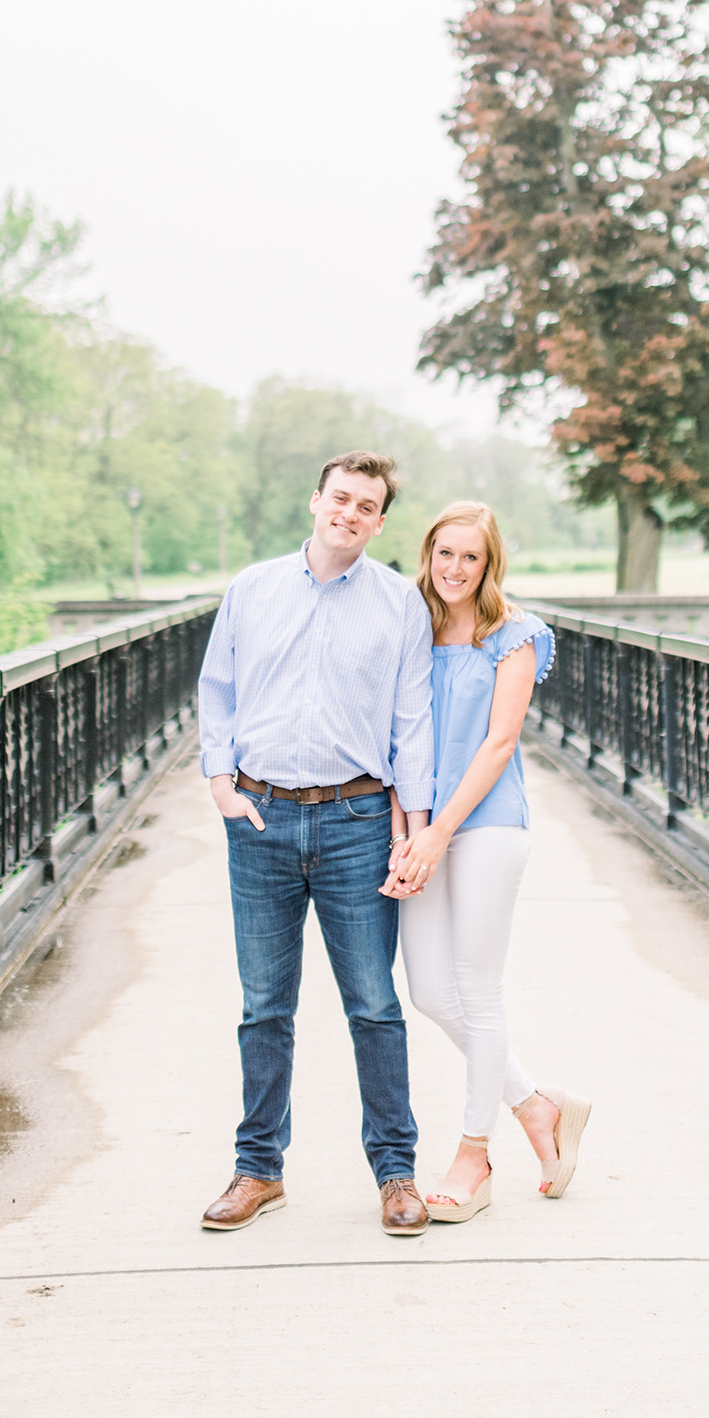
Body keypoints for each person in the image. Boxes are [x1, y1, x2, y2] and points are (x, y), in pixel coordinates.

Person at [197, 450, 436, 1238]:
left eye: (368, 506)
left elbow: (411, 721)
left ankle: (396, 1174)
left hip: (357, 823)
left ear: (378, 520)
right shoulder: (253, 589)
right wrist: (221, 784)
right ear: (316, 501)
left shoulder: (401, 603)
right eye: (341, 498)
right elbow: (218, 687)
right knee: (265, 1005)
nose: (350, 513)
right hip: (261, 818)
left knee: (373, 1004)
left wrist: (414, 824)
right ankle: (258, 1169)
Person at [390, 500, 589, 1221]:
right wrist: (406, 835)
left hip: (487, 825)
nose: (454, 568)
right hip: (418, 828)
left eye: (470, 556)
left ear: (490, 563)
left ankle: (473, 1154)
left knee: (476, 987)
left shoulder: (515, 635)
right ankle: (537, 1107)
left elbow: (499, 742)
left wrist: (440, 833)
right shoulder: (411, 626)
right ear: (427, 554)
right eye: (444, 553)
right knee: (429, 992)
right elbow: (396, 740)